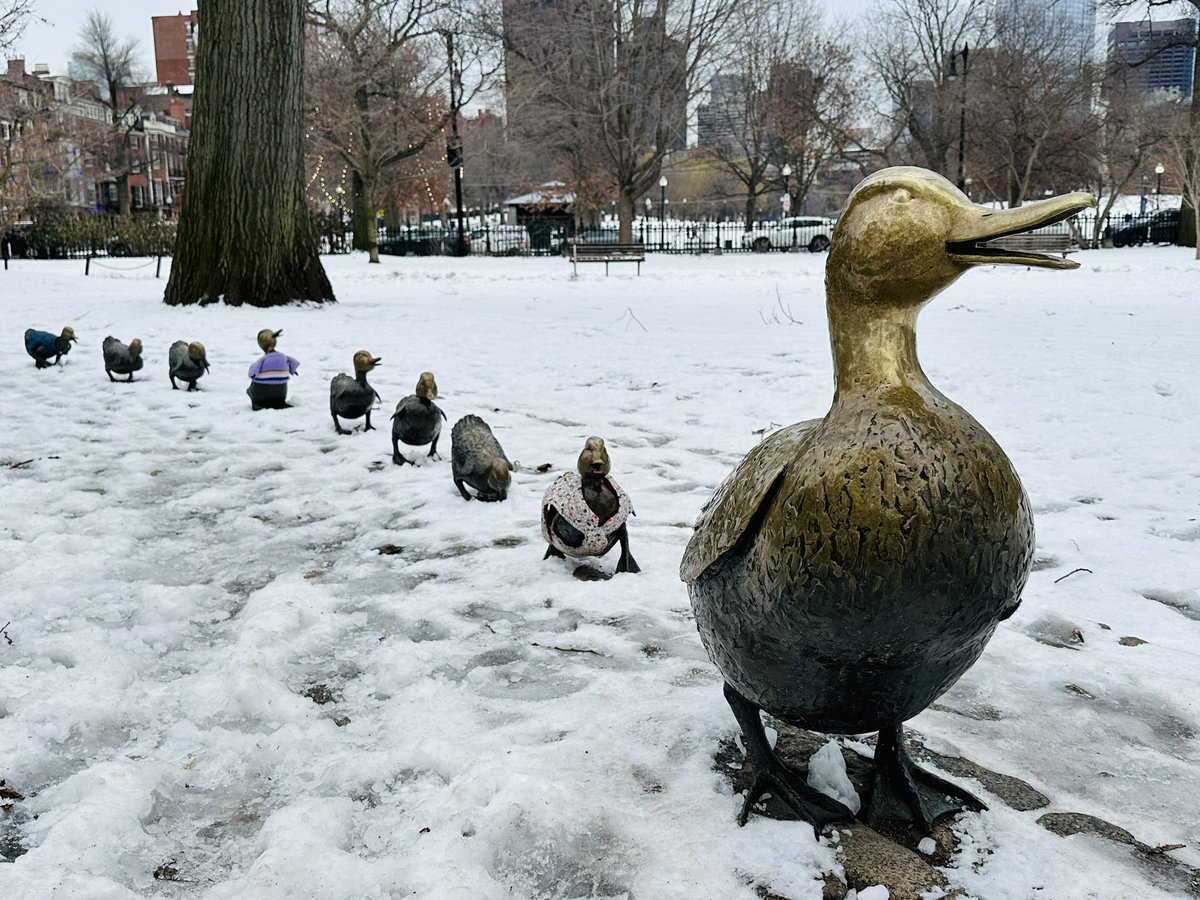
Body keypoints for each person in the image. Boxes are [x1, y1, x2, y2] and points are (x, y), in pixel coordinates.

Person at [247, 328, 299, 410]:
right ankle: (278, 401)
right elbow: (293, 363)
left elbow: (252, 373)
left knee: (250, 389)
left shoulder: (262, 360)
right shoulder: (284, 357)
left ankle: (259, 404)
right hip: (280, 395)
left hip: (262, 398)